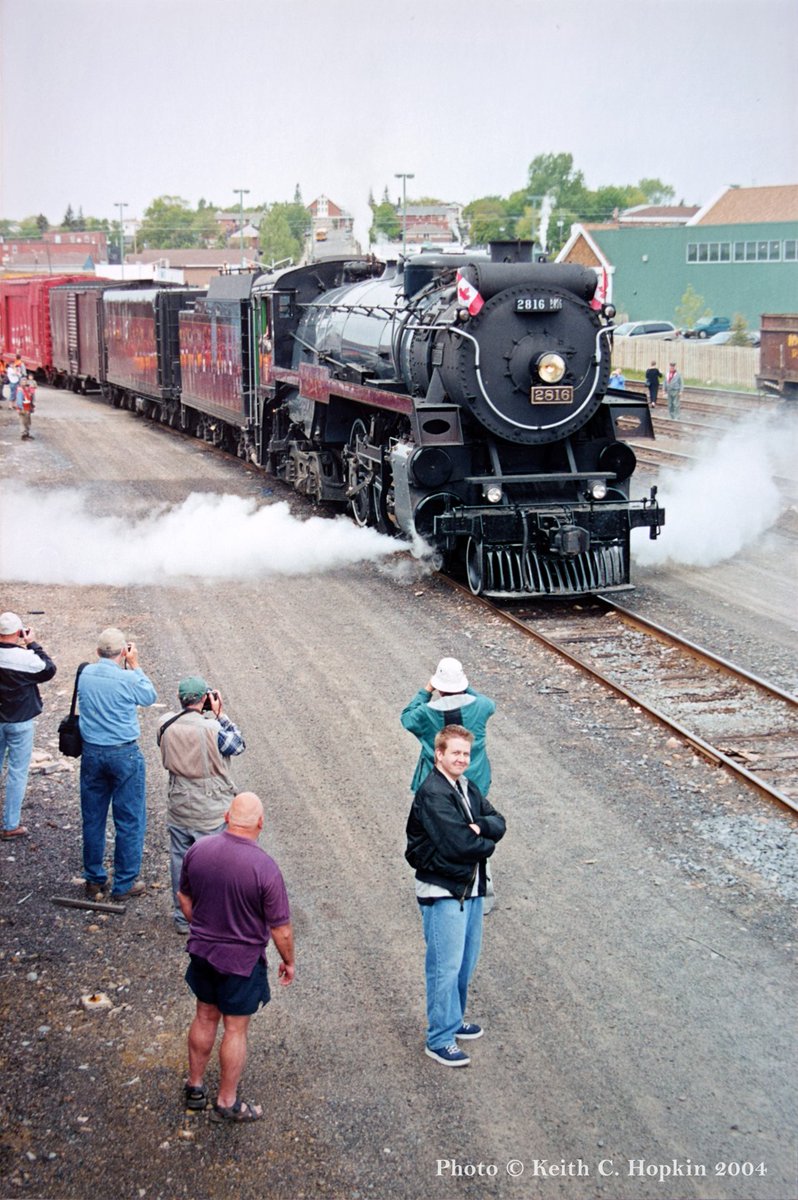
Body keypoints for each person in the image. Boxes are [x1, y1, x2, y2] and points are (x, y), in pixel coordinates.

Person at [178, 791, 295, 1122]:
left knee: (204, 1016)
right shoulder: (264, 868)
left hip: (202, 952)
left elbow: (183, 897)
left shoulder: (198, 850)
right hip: (241, 963)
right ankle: (226, 1102)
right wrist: (288, 961)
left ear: (227, 817)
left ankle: (195, 1086)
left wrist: (202, 927)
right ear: (260, 823)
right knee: (234, 1028)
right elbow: (281, 930)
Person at [405, 725, 505, 1067]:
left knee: (464, 963)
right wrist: (485, 841)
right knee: (444, 967)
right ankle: (439, 1037)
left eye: (466, 753)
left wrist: (481, 828)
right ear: (439, 755)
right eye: (455, 753)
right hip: (444, 890)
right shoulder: (433, 792)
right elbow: (459, 844)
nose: (462, 759)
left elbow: (498, 820)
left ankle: (453, 1019)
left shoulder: (465, 785)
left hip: (469, 888)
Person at [158, 676, 246, 934]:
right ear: (204, 700)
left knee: (180, 861)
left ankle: (182, 917)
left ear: (180, 698)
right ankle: (212, 917)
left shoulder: (164, 724)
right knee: (214, 865)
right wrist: (221, 714)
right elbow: (237, 744)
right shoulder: (213, 729)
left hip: (179, 806)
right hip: (209, 810)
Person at [77, 627, 157, 900]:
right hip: (123, 753)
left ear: (98, 651)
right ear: (123, 651)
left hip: (92, 753)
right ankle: (124, 883)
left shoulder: (85, 674)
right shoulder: (127, 679)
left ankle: (94, 878)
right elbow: (149, 696)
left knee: (93, 818)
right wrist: (134, 665)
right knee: (129, 819)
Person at [401, 657, 496, 795]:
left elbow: (406, 718)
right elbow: (488, 703)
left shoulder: (426, 712)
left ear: (438, 687)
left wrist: (427, 690)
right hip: (475, 782)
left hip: (435, 786)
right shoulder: (482, 706)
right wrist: (463, 686)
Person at [0, 613, 57, 839]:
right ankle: (10, 824)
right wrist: (32, 643)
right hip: (21, 720)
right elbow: (48, 669)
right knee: (17, 772)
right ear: (18, 632)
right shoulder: (26, 659)